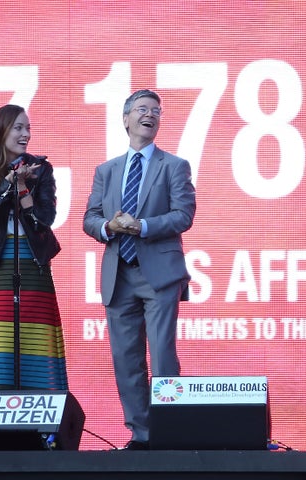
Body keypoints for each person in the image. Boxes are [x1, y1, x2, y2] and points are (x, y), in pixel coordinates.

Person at [83, 89, 196, 450]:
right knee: (126, 359)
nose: (151, 115)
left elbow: (184, 216)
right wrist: (109, 228)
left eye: (157, 111)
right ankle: (141, 433)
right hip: (119, 274)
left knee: (163, 355)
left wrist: (141, 226)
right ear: (126, 118)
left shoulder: (174, 166)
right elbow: (90, 218)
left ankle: (171, 430)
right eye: (143, 109)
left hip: (159, 275)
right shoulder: (107, 170)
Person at [0, 104, 68, 420]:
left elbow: (43, 220)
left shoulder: (41, 169)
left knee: (37, 336)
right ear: (1, 131)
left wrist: (24, 186)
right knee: (0, 337)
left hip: (33, 261)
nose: (25, 134)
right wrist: (8, 183)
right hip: (0, 265)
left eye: (28, 128)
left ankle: (43, 413)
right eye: (18, 128)